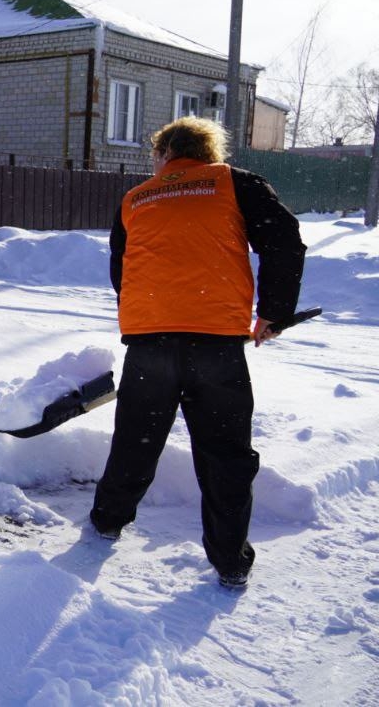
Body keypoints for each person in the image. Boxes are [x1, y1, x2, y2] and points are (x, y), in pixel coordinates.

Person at [89, 116, 305, 590]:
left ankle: (106, 521)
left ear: (165, 153)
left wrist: (150, 315)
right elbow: (283, 240)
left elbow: (122, 270)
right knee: (224, 452)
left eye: (154, 155)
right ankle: (230, 561)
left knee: (136, 439)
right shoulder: (234, 183)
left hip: (149, 343)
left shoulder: (136, 198)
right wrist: (274, 312)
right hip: (214, 344)